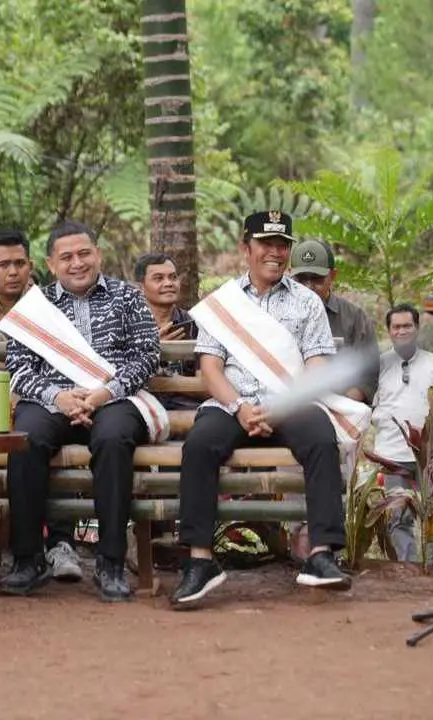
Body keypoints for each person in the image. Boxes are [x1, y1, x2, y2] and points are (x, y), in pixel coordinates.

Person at [170, 211, 369, 608]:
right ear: (246, 248)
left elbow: (316, 363)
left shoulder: (308, 302)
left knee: (320, 438)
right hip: (232, 405)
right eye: (266, 244)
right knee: (199, 446)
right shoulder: (222, 304)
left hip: (290, 403)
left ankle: (321, 555)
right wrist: (239, 406)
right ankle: (200, 562)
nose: (275, 253)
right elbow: (209, 366)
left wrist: (281, 407)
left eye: (282, 245)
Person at [0, 221, 161, 600]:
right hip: (53, 400)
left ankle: (110, 562)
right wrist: (59, 398)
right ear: (51, 264)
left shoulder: (127, 297)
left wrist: (104, 393)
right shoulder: (34, 306)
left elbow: (146, 356)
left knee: (113, 438)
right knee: (25, 439)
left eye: (84, 253)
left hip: (115, 399)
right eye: (66, 257)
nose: (77, 263)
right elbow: (20, 369)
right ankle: (28, 559)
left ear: (98, 255)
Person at [370, 303, 433, 564]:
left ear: (417, 328)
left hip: (431, 456)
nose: (402, 331)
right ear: (388, 330)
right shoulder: (379, 366)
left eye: (407, 325)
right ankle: (403, 569)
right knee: (397, 517)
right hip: (391, 454)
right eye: (396, 326)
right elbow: (367, 406)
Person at [289, 238, 379, 403]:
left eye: (316, 279)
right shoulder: (277, 315)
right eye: (301, 279)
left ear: (333, 275)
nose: (309, 287)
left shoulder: (355, 318)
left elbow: (369, 373)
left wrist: (344, 404)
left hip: (341, 410)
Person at [133, 252, 198, 410]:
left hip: (187, 405)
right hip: (141, 406)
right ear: (141, 287)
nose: (168, 283)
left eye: (173, 277)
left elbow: (207, 383)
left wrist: (174, 381)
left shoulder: (195, 324)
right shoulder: (128, 325)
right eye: (158, 278)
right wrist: (154, 349)